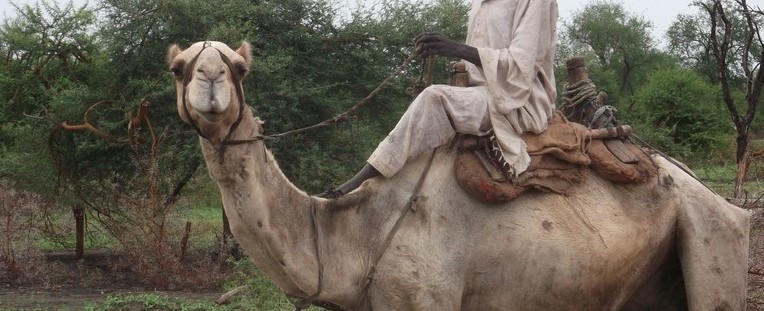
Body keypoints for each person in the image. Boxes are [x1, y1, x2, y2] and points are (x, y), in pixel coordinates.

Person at [321, 0, 559, 199]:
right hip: (480, 93)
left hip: (520, 100)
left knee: (434, 97)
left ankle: (350, 188)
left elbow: (522, 65)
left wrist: (456, 49)